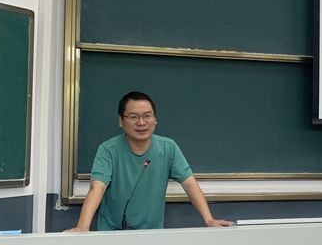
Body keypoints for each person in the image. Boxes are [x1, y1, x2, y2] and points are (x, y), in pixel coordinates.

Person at [67, 91, 232, 231]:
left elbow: (190, 183)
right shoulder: (108, 149)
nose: (141, 122)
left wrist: (209, 219)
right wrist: (82, 227)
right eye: (133, 117)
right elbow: (97, 187)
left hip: (152, 235)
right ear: (121, 121)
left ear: (155, 119)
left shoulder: (169, 147)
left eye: (147, 116)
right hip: (112, 234)